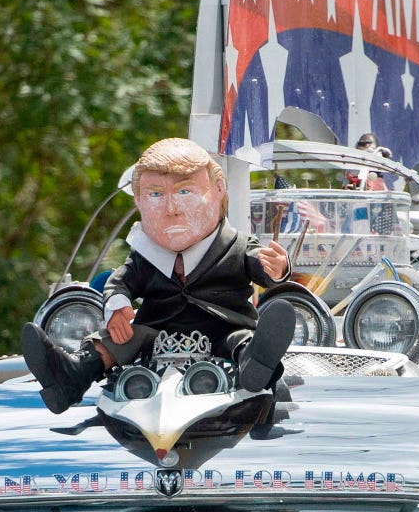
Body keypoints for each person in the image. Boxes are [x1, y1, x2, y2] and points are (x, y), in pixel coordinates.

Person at [22, 137, 296, 414]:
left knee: (241, 340)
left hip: (222, 329)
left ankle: (256, 365)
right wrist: (117, 306)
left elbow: (260, 266)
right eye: (155, 195)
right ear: (139, 200)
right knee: (117, 340)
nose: (171, 209)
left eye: (185, 192)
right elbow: (120, 281)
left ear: (218, 189)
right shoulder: (144, 255)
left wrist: (277, 268)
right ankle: (70, 376)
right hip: (156, 338)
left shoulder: (236, 246)